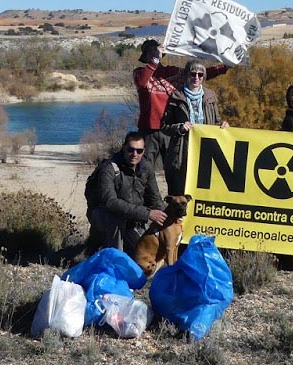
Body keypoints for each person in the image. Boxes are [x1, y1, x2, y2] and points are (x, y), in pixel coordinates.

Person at [133, 39, 225, 181]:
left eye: (156, 51)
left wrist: (225, 67)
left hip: (171, 129)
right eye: (151, 52)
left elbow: (198, 74)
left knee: (173, 170)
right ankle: (143, 201)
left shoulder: (172, 72)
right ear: (145, 56)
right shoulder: (140, 73)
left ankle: (174, 200)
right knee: (144, 170)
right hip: (149, 129)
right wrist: (155, 60)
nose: (154, 54)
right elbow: (142, 82)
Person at [86, 131, 166, 254]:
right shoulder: (109, 168)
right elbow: (110, 202)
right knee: (115, 219)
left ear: (144, 151)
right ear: (124, 148)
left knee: (143, 252)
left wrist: (165, 219)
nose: (134, 154)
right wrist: (147, 214)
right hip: (105, 216)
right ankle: (113, 259)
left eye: (139, 151)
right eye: (131, 150)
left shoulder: (146, 168)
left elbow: (155, 199)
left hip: (133, 219)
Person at [159, 60, 230, 194]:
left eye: (200, 74)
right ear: (186, 75)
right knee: (180, 191)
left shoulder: (210, 96)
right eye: (193, 74)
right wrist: (180, 128)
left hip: (206, 150)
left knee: (203, 191)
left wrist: (222, 125)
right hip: (182, 151)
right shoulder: (176, 96)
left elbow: (215, 122)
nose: (196, 78)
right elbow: (164, 126)